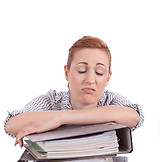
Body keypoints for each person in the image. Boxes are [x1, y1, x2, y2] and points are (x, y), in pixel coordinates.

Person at [4, 36, 144, 147]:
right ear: (67, 72)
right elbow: (11, 125)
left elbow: (134, 117)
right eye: (81, 70)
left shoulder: (110, 101)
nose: (90, 80)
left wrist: (60, 118)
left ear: (108, 78)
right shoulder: (51, 100)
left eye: (99, 72)